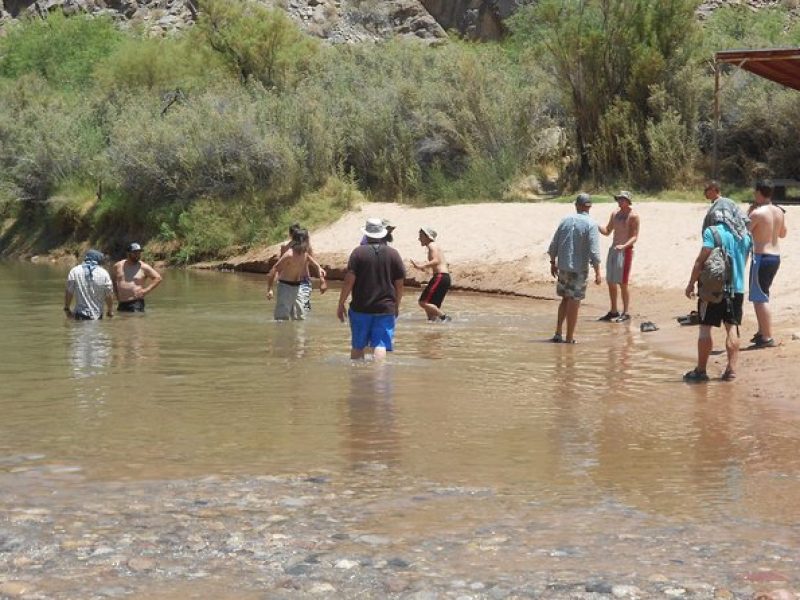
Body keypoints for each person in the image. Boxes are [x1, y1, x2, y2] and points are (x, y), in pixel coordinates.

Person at [683, 217, 752, 382]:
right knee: (732, 328)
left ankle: (701, 370)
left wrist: (691, 284)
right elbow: (744, 261)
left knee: (705, 328)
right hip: (737, 289)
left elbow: (700, 261)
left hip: (712, 290)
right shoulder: (745, 235)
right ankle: (731, 370)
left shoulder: (712, 232)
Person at [337, 217, 406, 360]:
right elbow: (399, 285)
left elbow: (349, 282)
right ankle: (379, 379)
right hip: (385, 308)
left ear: (366, 234)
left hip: (360, 308)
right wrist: (396, 305)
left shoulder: (357, 253)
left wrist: (340, 303)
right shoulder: (394, 254)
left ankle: (358, 377)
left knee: (358, 346)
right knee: (380, 345)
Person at [547, 193, 602, 344]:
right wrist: (598, 272)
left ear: (577, 205)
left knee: (565, 299)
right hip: (579, 268)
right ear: (589, 206)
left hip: (563, 266)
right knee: (574, 301)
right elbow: (594, 250)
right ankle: (569, 338)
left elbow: (554, 243)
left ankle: (558, 333)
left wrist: (553, 261)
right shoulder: (591, 224)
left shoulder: (565, 220)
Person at [747, 181, 787, 348]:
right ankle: (762, 331)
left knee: (759, 298)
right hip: (775, 256)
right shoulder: (779, 211)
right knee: (763, 293)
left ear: (758, 193)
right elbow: (783, 233)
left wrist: (749, 213)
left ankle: (767, 336)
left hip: (761, 256)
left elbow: (744, 232)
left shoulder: (757, 213)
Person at [597, 190, 639, 322]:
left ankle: (626, 312)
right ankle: (613, 310)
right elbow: (608, 231)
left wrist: (624, 246)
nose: (620, 201)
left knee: (623, 283)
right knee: (610, 281)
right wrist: (596, 226)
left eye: (622, 199)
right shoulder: (615, 213)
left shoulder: (633, 216)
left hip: (625, 251)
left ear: (628, 201)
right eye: (619, 199)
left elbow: (634, 237)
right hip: (613, 250)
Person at [267, 228, 317, 320]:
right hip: (285, 286)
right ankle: (282, 333)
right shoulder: (289, 255)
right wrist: (270, 289)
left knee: (300, 316)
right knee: (281, 317)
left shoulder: (304, 253)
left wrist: (320, 270)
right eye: (307, 239)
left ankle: (297, 334)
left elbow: (311, 260)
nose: (308, 242)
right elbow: (274, 269)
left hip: (297, 287)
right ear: (302, 241)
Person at [280, 224, 327, 310]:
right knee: (290, 309)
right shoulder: (285, 247)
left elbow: (314, 263)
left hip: (304, 280)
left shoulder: (307, 248)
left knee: (303, 308)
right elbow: (281, 265)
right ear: (291, 236)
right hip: (288, 282)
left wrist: (322, 280)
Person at [411, 226, 451, 322]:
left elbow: (436, 261)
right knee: (431, 307)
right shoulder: (434, 246)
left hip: (440, 277)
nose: (419, 238)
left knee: (423, 302)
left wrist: (422, 266)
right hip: (443, 277)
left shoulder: (431, 245)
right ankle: (432, 328)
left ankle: (445, 317)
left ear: (428, 237)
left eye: (421, 236)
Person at [64, 249, 114, 320]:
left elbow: (69, 291)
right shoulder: (104, 273)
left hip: (80, 316)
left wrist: (67, 308)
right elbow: (109, 294)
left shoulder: (75, 271)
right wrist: (110, 310)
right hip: (97, 317)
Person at [112, 242, 162, 312]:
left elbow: (158, 278)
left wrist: (146, 291)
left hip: (136, 303)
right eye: (135, 253)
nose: (138, 255)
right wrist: (116, 294)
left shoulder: (144, 267)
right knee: (122, 321)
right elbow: (113, 280)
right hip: (121, 303)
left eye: (139, 253)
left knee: (135, 322)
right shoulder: (118, 266)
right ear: (128, 253)